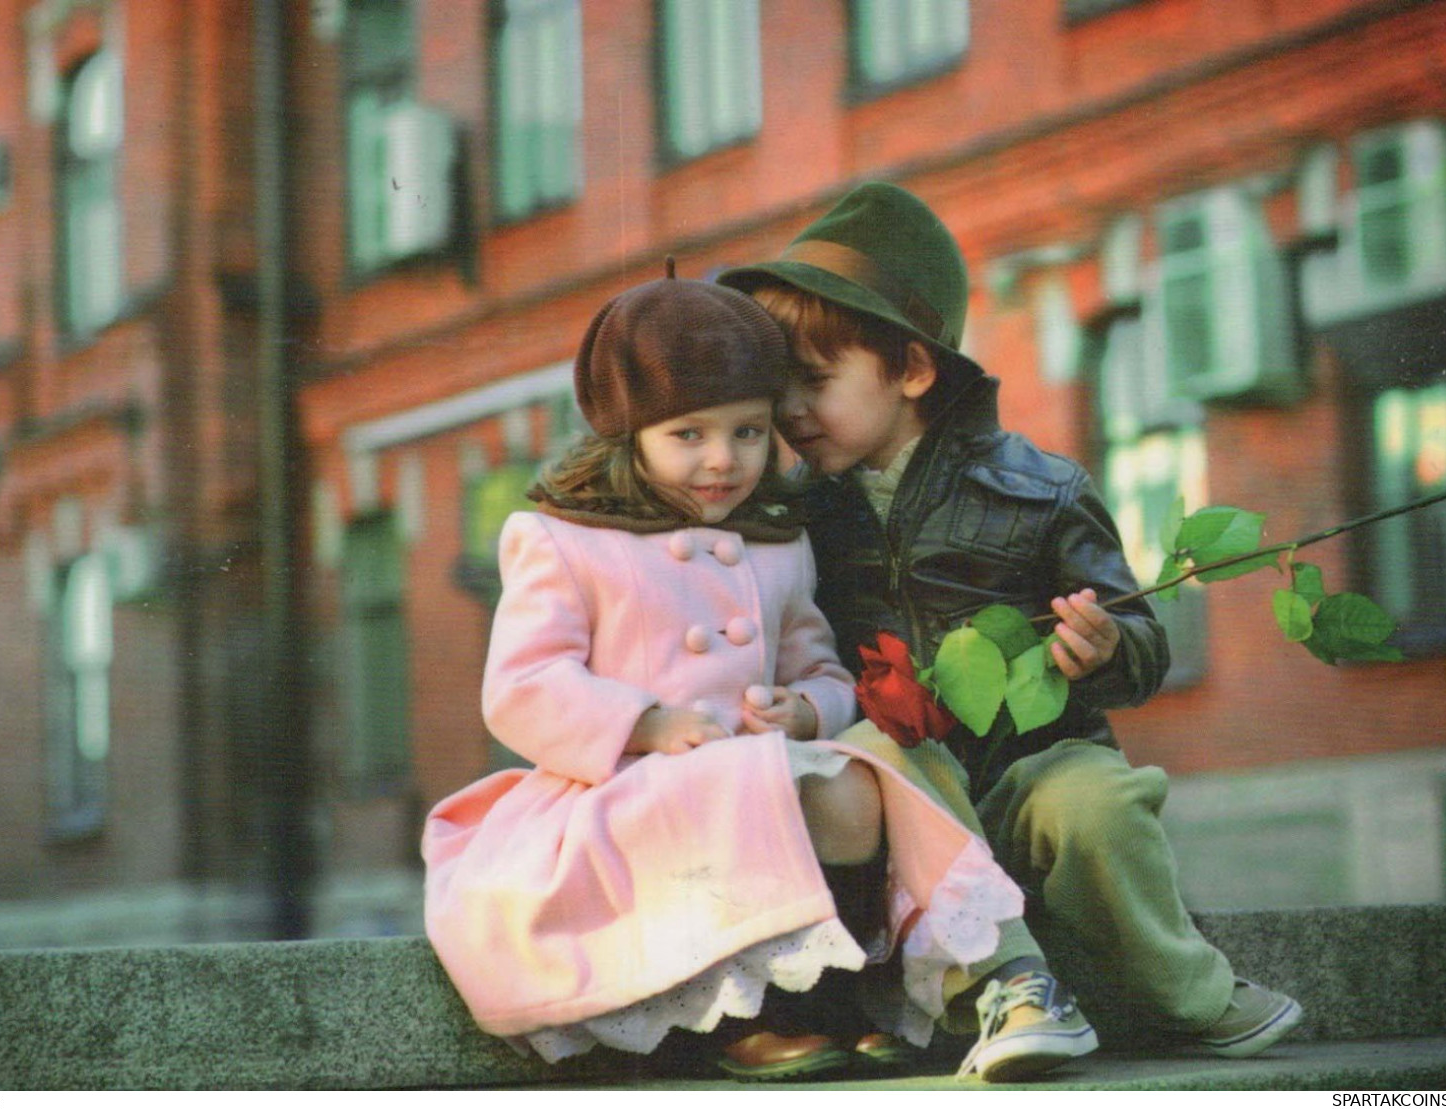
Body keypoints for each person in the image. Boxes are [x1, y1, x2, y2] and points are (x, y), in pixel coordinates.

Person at [717, 182, 1304, 1080]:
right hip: (896, 810)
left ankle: (1189, 993)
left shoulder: (1039, 488)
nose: (791, 410)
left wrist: (1106, 648)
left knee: (1101, 798)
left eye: (816, 379)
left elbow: (1142, 640)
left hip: (1035, 772)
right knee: (879, 741)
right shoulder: (791, 518)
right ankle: (1013, 985)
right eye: (779, 385)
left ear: (910, 370)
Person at [421, 263, 1027, 1081]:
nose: (722, 460)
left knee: (853, 789)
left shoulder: (776, 542)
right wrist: (645, 722)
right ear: (628, 433)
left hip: (754, 766)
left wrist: (806, 710)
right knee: (731, 794)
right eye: (689, 435)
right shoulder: (562, 538)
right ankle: (741, 1015)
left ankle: (839, 988)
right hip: (620, 788)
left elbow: (819, 665)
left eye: (747, 431)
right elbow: (523, 686)